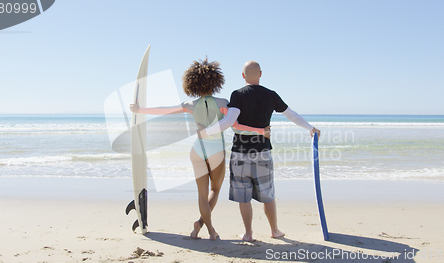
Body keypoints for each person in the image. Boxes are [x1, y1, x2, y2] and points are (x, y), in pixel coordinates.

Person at [130, 58, 269, 240]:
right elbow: (236, 126)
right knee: (215, 190)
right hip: (216, 150)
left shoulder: (190, 105)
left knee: (202, 195)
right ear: (215, 82)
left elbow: (165, 110)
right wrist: (260, 131)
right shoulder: (222, 103)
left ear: (193, 84)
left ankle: (207, 230)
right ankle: (204, 227)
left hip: (197, 150)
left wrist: (140, 110)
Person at [199, 60, 320, 241]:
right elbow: (291, 114)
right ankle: (275, 231)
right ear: (261, 74)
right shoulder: (270, 95)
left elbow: (229, 122)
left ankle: (248, 233)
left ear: (243, 76)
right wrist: (310, 128)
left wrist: (206, 132)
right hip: (262, 152)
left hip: (240, 153)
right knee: (268, 194)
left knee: (244, 196)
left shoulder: (237, 94)